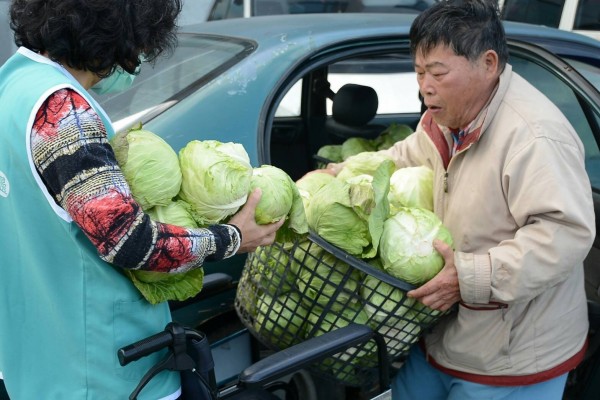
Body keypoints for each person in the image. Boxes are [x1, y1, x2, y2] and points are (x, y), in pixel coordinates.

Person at [0, 0, 284, 398]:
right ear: (113, 35)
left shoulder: (12, 82)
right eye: (140, 46)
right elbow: (131, 242)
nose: (139, 59)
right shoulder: (64, 112)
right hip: (103, 370)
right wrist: (232, 237)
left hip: (36, 363)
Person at [324, 0, 595, 398]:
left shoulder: (533, 137)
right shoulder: (446, 117)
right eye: (418, 73)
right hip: (446, 334)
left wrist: (469, 277)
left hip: (512, 354)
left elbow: (563, 234)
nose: (425, 87)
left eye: (437, 73)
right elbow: (406, 157)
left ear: (488, 64)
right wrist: (341, 175)